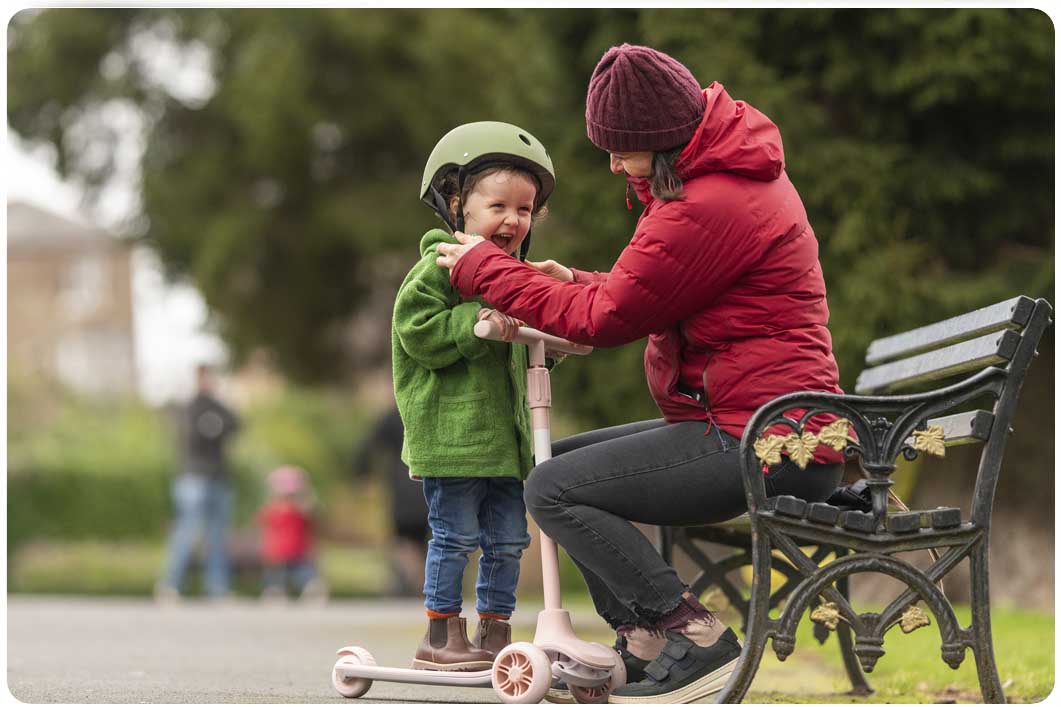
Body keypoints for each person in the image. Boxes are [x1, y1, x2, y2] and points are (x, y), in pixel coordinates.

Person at [436, 44, 845, 703]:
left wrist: (486, 268)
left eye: (619, 147)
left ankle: (696, 632)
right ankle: (646, 641)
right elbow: (646, 290)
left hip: (764, 439)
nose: (611, 162)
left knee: (555, 487)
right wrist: (576, 280)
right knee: (558, 466)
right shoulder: (718, 177)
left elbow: (605, 320)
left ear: (655, 141)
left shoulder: (705, 202)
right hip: (765, 424)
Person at [391, 121, 554, 671]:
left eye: (525, 210)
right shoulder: (436, 268)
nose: (513, 220)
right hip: (453, 438)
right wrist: (472, 320)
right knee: (456, 536)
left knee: (509, 541)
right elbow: (417, 332)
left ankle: (494, 632)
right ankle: (440, 635)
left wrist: (545, 340)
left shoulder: (516, 275)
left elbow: (525, 337)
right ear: (459, 203)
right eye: (499, 205)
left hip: (505, 444)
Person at [157, 363, 241, 602]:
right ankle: (171, 584)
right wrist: (215, 428)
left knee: (218, 536)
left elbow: (236, 424)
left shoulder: (219, 406)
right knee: (187, 531)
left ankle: (217, 588)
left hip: (218, 478)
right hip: (193, 477)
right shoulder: (190, 407)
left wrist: (217, 422)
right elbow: (195, 435)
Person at [351, 406, 430, 597]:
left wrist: (363, 474)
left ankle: (420, 582)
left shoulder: (396, 412)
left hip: (403, 484)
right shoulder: (432, 406)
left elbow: (370, 444)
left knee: (404, 540)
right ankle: (427, 582)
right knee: (428, 538)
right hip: (433, 481)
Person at [258, 465, 328, 603]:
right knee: (300, 571)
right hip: (296, 549)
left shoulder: (273, 510)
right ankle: (309, 586)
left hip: (279, 551)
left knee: (278, 572)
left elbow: (262, 524)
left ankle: (275, 590)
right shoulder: (302, 510)